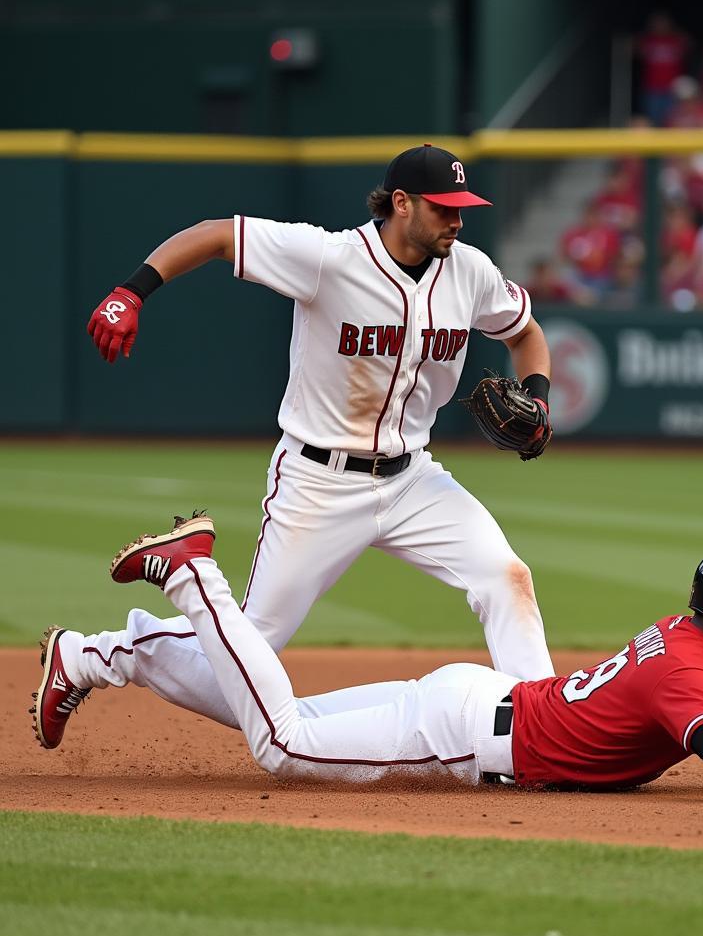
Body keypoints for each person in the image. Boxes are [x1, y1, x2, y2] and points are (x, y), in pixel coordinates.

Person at [83, 144, 556, 691]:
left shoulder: (469, 270)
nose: (456, 219)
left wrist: (538, 397)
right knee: (243, 660)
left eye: (461, 207)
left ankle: (541, 726)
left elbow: (524, 332)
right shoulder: (329, 257)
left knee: (506, 578)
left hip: (413, 479)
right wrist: (130, 292)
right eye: (442, 207)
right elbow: (215, 234)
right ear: (401, 203)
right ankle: (97, 655)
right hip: (318, 481)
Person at [31, 515, 703, 797]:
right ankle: (193, 581)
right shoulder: (687, 671)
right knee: (279, 744)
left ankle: (94, 655)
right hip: (472, 731)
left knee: (282, 715)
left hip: (481, 701)